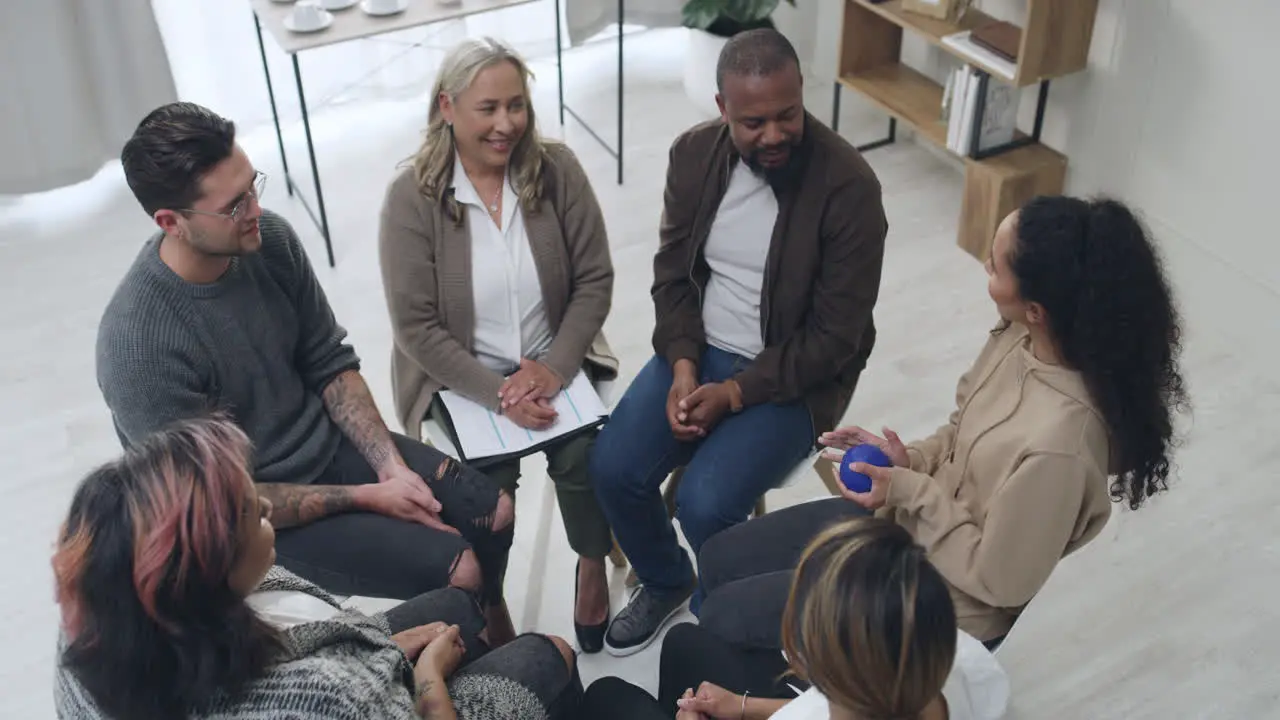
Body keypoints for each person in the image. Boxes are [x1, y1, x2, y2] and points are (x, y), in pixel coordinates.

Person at [95, 102, 517, 643]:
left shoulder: (268, 239)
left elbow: (330, 363)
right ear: (170, 223)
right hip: (251, 517)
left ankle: (491, 628)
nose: (255, 208)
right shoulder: (137, 346)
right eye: (233, 205)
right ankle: (474, 651)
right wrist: (370, 497)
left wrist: (389, 467)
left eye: (253, 185)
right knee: (460, 567)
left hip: (327, 448)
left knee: (494, 514)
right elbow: (219, 503)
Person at [691, 195, 1189, 653]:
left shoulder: (1060, 450)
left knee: (720, 619)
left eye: (995, 266)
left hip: (938, 605)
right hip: (907, 526)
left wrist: (908, 490)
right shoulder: (1018, 338)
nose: (986, 269)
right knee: (717, 561)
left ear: (1036, 308)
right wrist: (909, 461)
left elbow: (1000, 582)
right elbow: (960, 429)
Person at [589, 28, 888, 656]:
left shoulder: (850, 189)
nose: (774, 135)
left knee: (706, 504)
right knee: (613, 467)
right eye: (754, 122)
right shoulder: (695, 157)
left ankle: (722, 617)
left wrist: (734, 392)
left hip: (794, 377)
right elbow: (672, 276)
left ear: (802, 93)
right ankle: (668, 579)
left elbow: (836, 339)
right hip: (702, 352)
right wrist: (682, 365)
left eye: (788, 114)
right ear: (721, 108)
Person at [51, 416, 581, 719]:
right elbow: (349, 699)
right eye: (246, 511)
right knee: (548, 653)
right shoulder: (331, 699)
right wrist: (427, 679)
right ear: (210, 579)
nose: (264, 506)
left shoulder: (95, 632)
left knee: (456, 605)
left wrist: (384, 651)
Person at [378, 37, 618, 653]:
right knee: (484, 498)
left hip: (552, 359)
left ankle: (592, 564)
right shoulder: (412, 197)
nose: (507, 123)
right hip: (460, 382)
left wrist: (557, 368)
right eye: (488, 108)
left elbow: (594, 279)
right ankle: (490, 598)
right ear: (447, 107)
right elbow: (416, 327)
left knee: (589, 459)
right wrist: (500, 394)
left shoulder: (556, 170)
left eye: (517, 105)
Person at [580, 517, 1009, 719]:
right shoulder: (960, 661)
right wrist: (745, 707)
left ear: (813, 667)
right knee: (682, 643)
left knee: (605, 696)